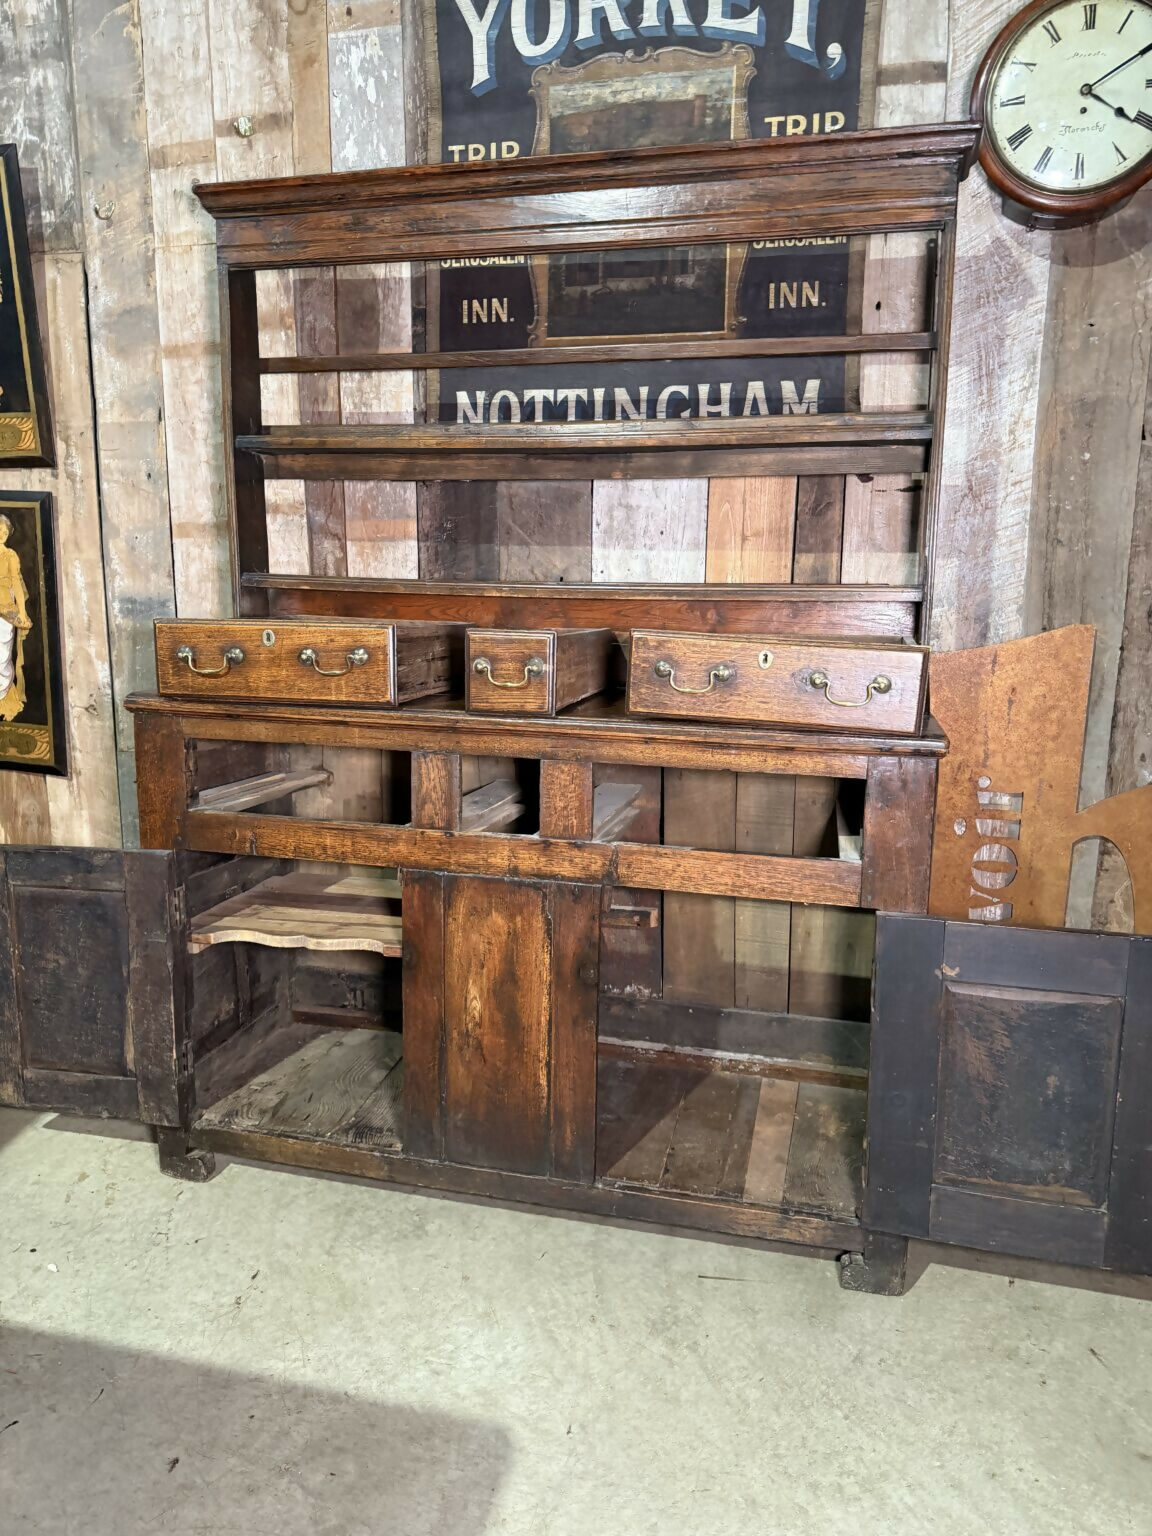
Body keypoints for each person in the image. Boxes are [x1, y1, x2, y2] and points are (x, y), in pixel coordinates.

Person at [0, 514, 32, 721]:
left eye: (5, 532)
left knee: (2, 656)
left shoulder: (10, 555)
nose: (2, 535)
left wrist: (22, 612)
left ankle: (2, 696)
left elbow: (17, 587)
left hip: (5, 610)